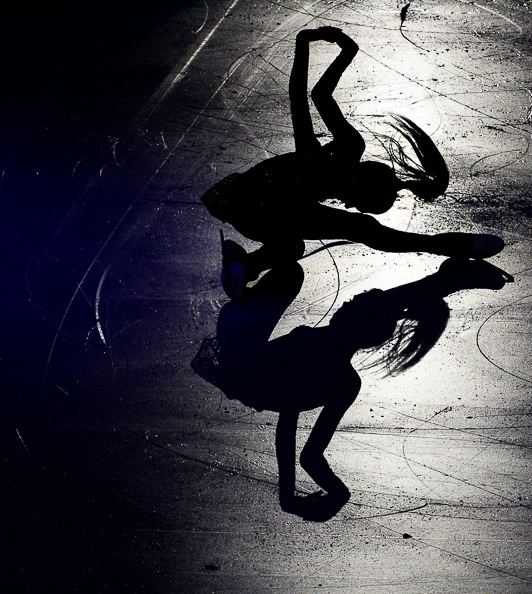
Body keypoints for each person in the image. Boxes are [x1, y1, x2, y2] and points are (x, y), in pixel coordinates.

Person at [190, 257, 512, 520]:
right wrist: (454, 281)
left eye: (354, 303)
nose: (346, 299)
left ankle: (243, 289)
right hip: (250, 370)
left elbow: (288, 423)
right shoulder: (346, 377)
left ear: (358, 324)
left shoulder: (323, 354)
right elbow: (311, 456)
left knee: (291, 270)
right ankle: (454, 278)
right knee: (384, 299)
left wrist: (291, 496)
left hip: (242, 367)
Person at [201, 26, 504, 300]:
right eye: (355, 202)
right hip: (246, 201)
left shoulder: (349, 149)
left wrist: (345, 50)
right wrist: (304, 43)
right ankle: (245, 263)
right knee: (322, 233)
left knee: (295, 246)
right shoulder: (315, 163)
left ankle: (246, 264)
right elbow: (301, 96)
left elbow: (319, 95)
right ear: (358, 183)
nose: (346, 204)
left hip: (263, 205)